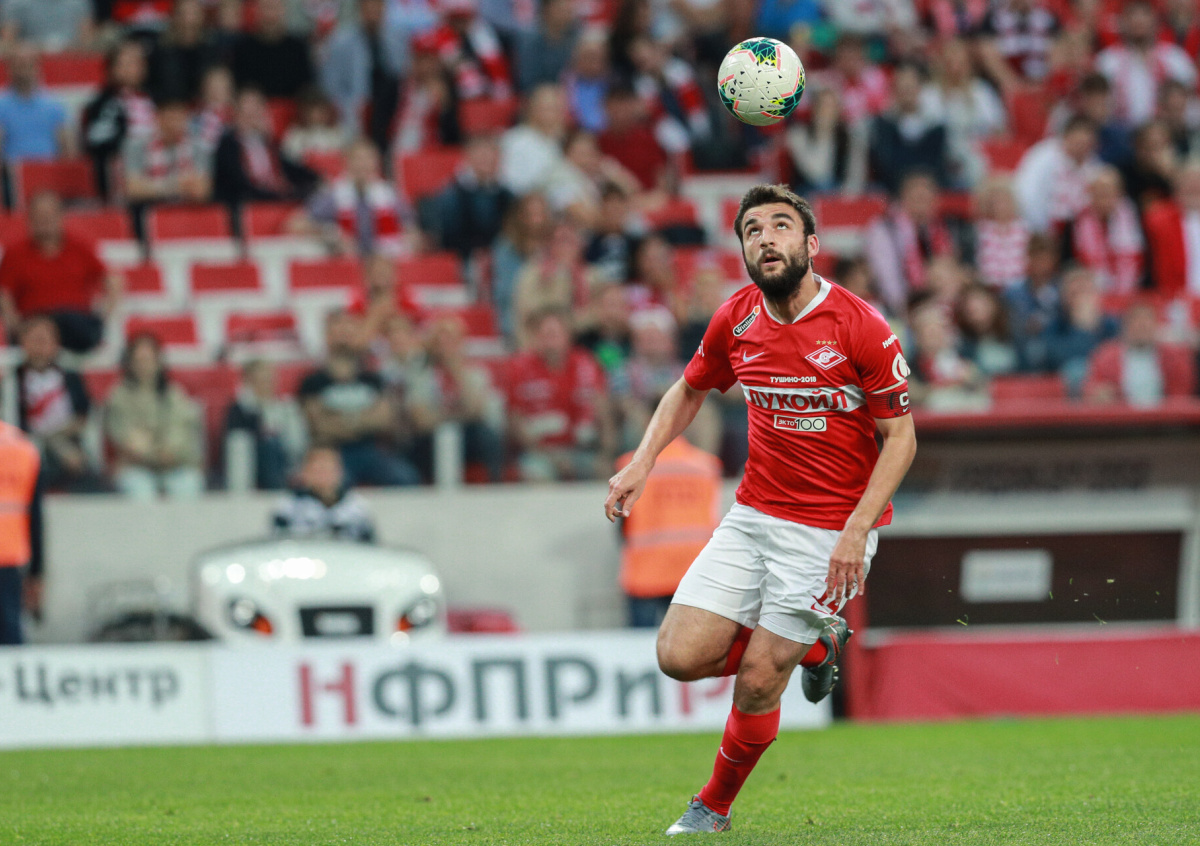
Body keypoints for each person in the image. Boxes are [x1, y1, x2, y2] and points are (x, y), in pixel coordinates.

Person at [604, 184, 916, 835]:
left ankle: (711, 808)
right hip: (753, 516)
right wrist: (643, 461)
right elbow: (688, 389)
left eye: (780, 226)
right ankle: (815, 647)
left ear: (811, 244)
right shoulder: (737, 318)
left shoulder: (860, 326)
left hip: (829, 531)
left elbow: (901, 439)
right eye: (752, 230)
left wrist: (857, 530)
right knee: (678, 656)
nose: (765, 238)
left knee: (757, 679)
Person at [297, 310, 421, 487]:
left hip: (371, 450)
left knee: (405, 477)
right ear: (327, 336)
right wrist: (364, 419)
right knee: (333, 482)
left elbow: (384, 419)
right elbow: (320, 426)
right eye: (338, 331)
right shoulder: (312, 382)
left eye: (348, 331)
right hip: (332, 452)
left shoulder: (373, 379)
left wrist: (340, 420)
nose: (344, 337)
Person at [616, 435, 721, 629]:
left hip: (646, 571)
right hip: (694, 571)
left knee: (639, 643)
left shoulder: (630, 465)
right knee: (688, 642)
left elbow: (621, 520)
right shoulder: (706, 465)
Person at [0, 191, 121, 355]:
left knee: (76, 326)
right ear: (30, 219)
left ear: (60, 216)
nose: (45, 220)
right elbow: (4, 295)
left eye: (49, 215)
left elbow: (112, 280)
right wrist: (17, 327)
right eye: (39, 216)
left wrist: (103, 315)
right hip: (35, 323)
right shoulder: (15, 254)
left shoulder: (79, 247)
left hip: (76, 323)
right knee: (42, 330)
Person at [508, 307, 608, 481]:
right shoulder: (520, 369)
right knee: (535, 474)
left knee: (607, 472)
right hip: (539, 453)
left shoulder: (586, 364)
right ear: (535, 337)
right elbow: (515, 422)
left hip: (582, 450)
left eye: (555, 334)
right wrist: (551, 456)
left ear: (568, 336)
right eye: (545, 335)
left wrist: (607, 452)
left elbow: (603, 411)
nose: (550, 341)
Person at [104, 333, 206, 499]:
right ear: (129, 363)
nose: (144, 366)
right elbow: (128, 438)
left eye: (149, 360)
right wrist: (156, 453)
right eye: (139, 360)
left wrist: (171, 450)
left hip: (174, 465)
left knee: (189, 485)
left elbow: (182, 428)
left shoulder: (174, 393)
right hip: (136, 467)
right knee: (141, 491)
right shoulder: (119, 396)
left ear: (159, 362)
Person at [15, 316, 104, 493]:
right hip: (27, 447)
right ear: (23, 343)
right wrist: (50, 442)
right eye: (35, 340)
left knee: (92, 479)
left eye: (45, 340)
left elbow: (83, 414)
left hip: (68, 443)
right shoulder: (13, 379)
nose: (40, 347)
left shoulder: (70, 376)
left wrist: (59, 439)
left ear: (56, 344)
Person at [321, 0, 409, 151]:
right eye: (369, 6)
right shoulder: (340, 42)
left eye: (378, 6)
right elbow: (330, 86)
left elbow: (404, 78)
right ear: (360, 9)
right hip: (354, 110)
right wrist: (347, 109)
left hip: (392, 110)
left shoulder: (398, 39)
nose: (373, 11)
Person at [1082, 301, 1196, 407]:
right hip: (1120, 417)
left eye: (1146, 322)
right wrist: (1099, 393)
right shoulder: (1106, 357)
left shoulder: (1174, 357)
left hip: (1165, 418)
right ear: (1126, 326)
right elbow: (1091, 387)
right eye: (1136, 322)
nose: (1142, 327)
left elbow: (1181, 393)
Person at [224, 359, 308, 490]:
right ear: (248, 382)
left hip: (287, 457)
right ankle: (276, 488)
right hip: (255, 460)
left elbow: (298, 442)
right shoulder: (239, 409)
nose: (266, 385)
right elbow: (238, 439)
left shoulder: (286, 406)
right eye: (260, 381)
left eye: (269, 380)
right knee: (269, 445)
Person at [271, 445, 375, 542]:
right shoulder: (288, 507)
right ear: (305, 473)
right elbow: (278, 545)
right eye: (317, 470)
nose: (323, 476)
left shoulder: (357, 508)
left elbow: (369, 548)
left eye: (328, 470)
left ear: (340, 472)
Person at [0, 43, 75, 175]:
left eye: (29, 64)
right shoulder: (2, 105)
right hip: (13, 176)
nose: (24, 70)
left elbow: (67, 151)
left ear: (38, 67)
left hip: (50, 174)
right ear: (9, 68)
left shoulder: (54, 106)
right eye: (19, 64)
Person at [0, 421, 41, 645]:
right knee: (10, 630)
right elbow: (36, 515)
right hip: (10, 553)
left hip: (10, 554)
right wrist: (37, 570)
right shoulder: (23, 446)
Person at [231, 0, 316, 98]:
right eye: (267, 8)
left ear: (283, 11)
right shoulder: (243, 48)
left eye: (275, 8)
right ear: (257, 11)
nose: (270, 15)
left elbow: (307, 89)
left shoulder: (298, 48)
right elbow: (239, 88)